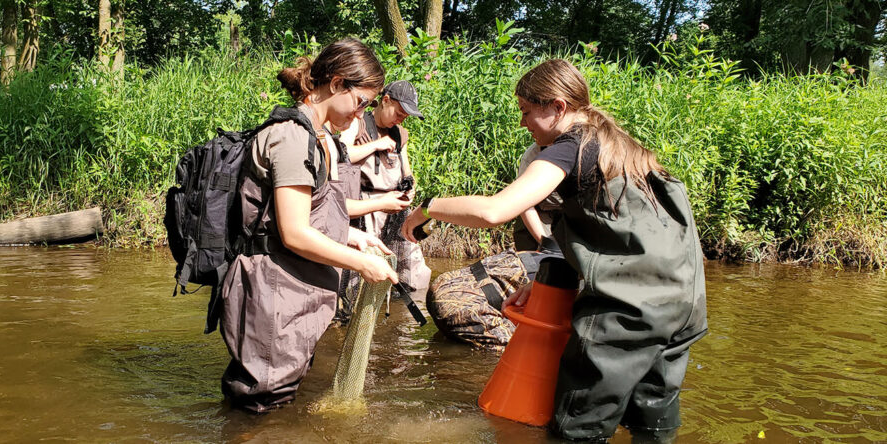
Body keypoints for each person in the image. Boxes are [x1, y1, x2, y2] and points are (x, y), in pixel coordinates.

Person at [401, 59, 708, 441]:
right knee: (653, 425)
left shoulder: (571, 146)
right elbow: (621, 235)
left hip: (629, 311)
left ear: (558, 107)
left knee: (577, 427)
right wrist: (544, 286)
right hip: (684, 306)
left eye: (526, 111)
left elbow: (495, 211)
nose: (523, 123)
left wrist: (427, 208)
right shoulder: (621, 147)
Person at [219, 38, 399, 413]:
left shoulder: (314, 136)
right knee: (262, 408)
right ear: (336, 83)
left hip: (291, 296)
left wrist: (353, 236)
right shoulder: (292, 138)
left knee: (276, 399)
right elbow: (294, 233)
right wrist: (363, 265)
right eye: (361, 102)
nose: (361, 114)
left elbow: (307, 213)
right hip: (273, 296)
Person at [340, 80, 432, 294]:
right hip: (365, 210)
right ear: (386, 100)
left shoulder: (400, 134)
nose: (400, 119)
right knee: (362, 274)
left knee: (413, 269)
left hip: (396, 210)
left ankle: (411, 308)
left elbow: (407, 172)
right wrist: (376, 145)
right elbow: (342, 153)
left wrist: (410, 186)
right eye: (398, 113)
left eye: (405, 117)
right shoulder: (358, 123)